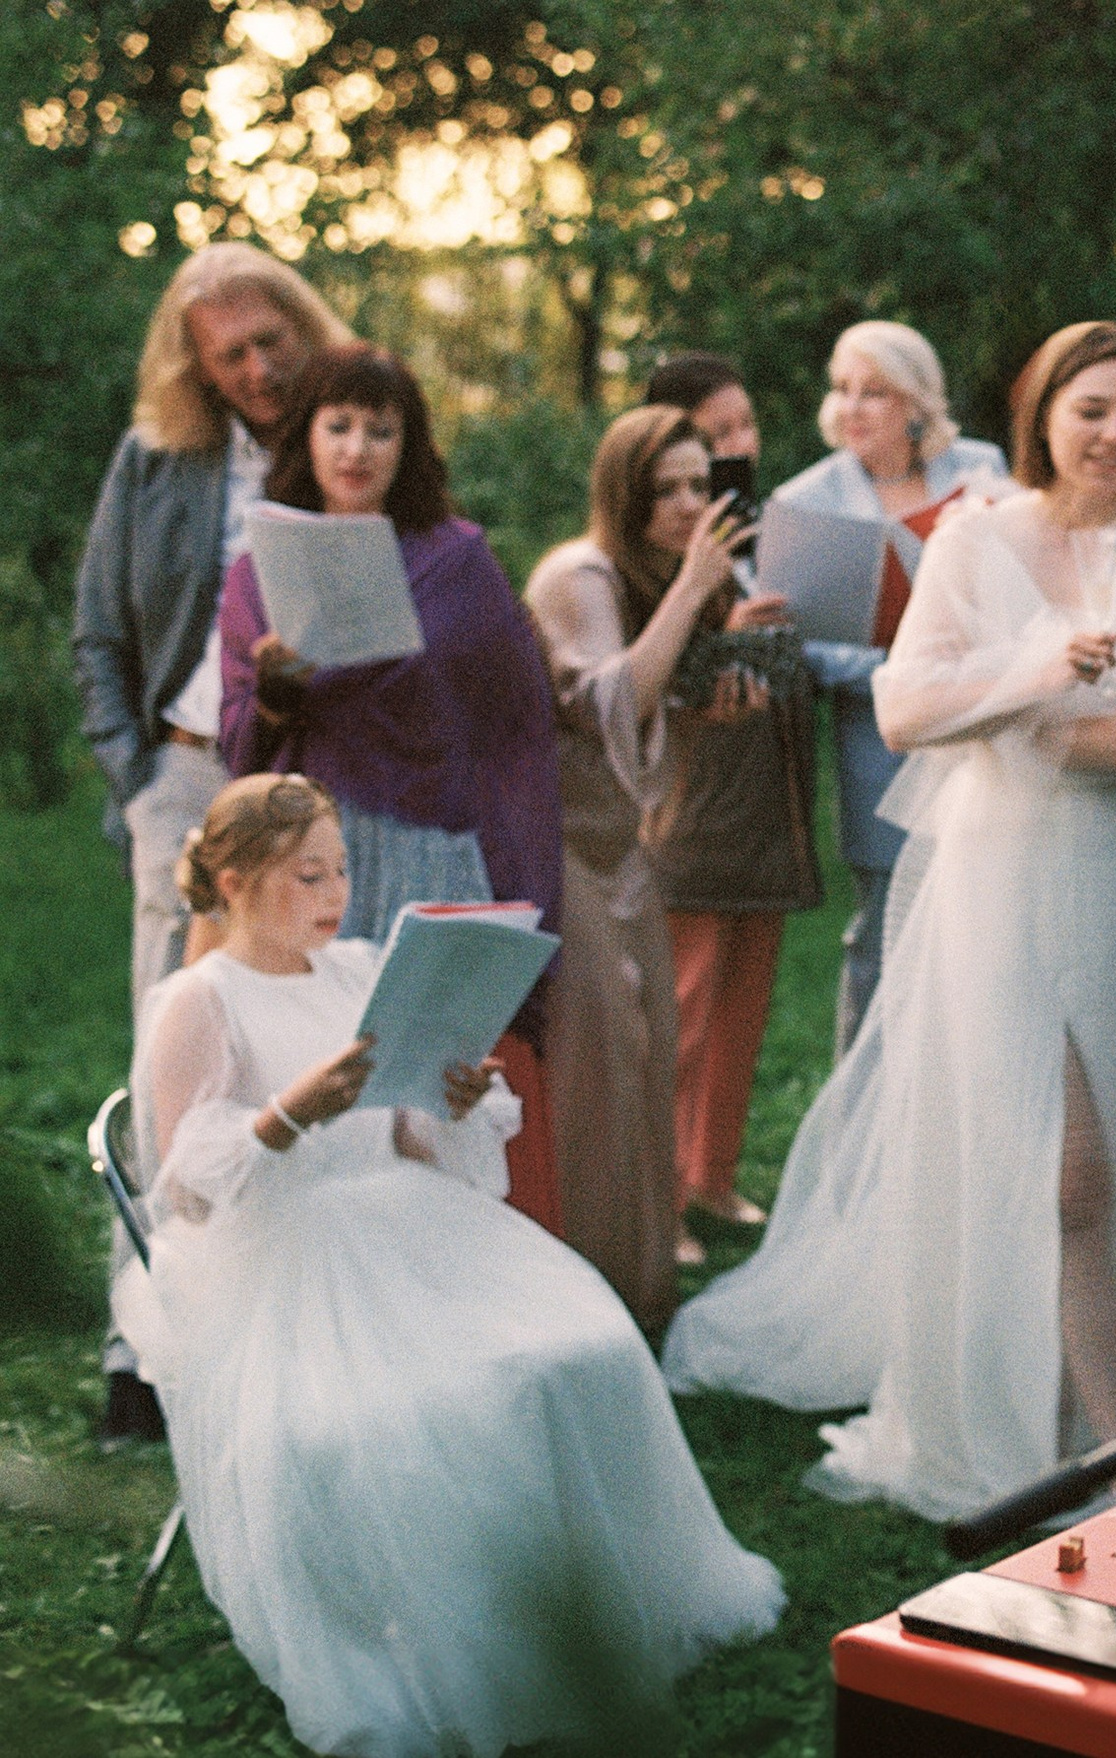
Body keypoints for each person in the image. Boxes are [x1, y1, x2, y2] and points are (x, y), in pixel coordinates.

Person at [663, 322, 1116, 1521]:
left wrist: (994, 709)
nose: (1112, 434)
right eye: (1089, 407)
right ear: (1042, 410)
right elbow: (899, 706)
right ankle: (1096, 1435)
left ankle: (1104, 1399)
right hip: (993, 882)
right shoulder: (975, 535)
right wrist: (1039, 676)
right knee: (1050, 1163)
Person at [108, 773, 781, 1758]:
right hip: (291, 1252)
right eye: (308, 875)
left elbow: (412, 1140)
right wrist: (296, 1109)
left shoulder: (355, 971)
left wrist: (449, 1101)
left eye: (340, 869)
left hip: (412, 1223)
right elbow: (194, 1192)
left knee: (577, 1343)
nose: (336, 893)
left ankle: (610, 1608)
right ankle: (458, 1647)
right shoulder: (200, 1001)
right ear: (236, 877)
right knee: (430, 1406)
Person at [71, 242, 348, 1441]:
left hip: (306, 779)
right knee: (172, 1043)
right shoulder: (159, 459)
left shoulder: (347, 440)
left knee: (295, 1032)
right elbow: (98, 633)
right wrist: (139, 778)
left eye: (269, 340)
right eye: (226, 354)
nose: (255, 368)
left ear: (302, 325)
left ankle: (297, 1314)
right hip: (183, 774)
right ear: (194, 364)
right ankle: (143, 1341)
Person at [217, 343, 568, 1236]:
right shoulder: (258, 570)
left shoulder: (458, 562)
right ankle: (342, 1268)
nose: (358, 449)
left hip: (430, 844)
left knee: (434, 1074)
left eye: (383, 429)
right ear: (309, 437)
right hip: (313, 857)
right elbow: (238, 748)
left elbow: (516, 724)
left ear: (409, 445)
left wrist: (512, 850)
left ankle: (461, 1270)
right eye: (339, 425)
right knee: (324, 1068)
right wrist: (278, 693)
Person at [525, 407, 755, 1326]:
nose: (687, 506)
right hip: (557, 846)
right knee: (601, 1059)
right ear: (622, 495)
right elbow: (607, 703)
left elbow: (651, 726)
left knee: (651, 1049)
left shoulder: (647, 578)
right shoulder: (580, 573)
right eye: (665, 490)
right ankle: (589, 1283)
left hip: (621, 845)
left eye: (701, 486)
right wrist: (695, 585)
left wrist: (714, 697)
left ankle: (643, 1284)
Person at [770, 321, 1011, 1058]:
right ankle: (861, 1105)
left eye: (874, 391)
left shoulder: (981, 471)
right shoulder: (805, 498)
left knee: (982, 917)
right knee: (882, 926)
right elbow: (801, 642)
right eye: (843, 389)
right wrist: (904, 669)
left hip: (981, 730)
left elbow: (1018, 586)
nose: (853, 406)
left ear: (916, 403)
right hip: (877, 737)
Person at [638, 352, 822, 1262]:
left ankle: (712, 1176)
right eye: (716, 435)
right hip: (691, 814)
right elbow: (644, 678)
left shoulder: (760, 536)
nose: (737, 447)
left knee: (742, 1010)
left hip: (765, 803)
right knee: (684, 1010)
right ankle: (660, 1199)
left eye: (745, 426)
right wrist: (727, 641)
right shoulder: (651, 550)